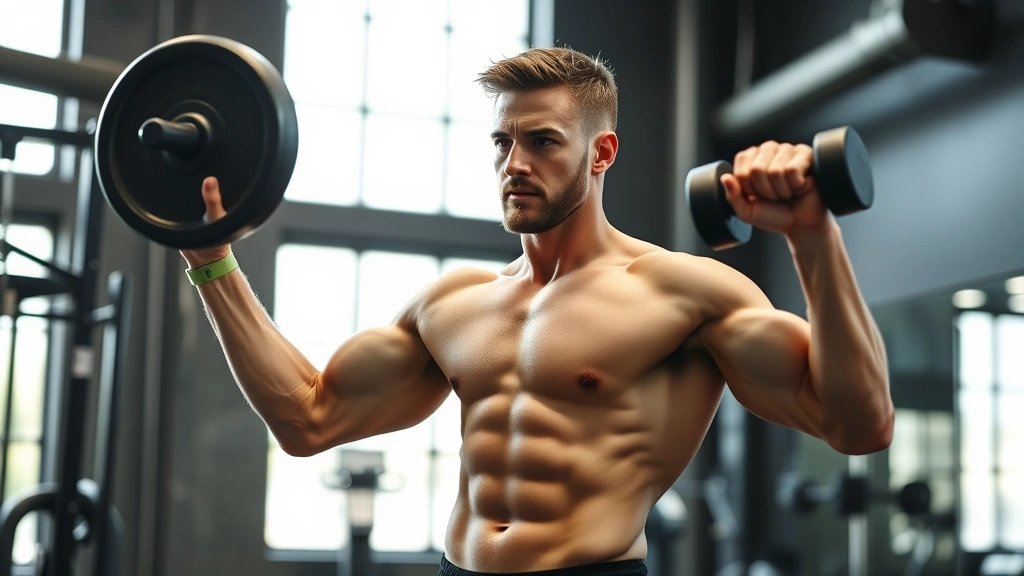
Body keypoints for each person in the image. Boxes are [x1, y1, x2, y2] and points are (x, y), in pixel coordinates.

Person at [179, 47, 894, 576]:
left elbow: (857, 425)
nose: (514, 162)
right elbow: (309, 420)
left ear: (601, 152)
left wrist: (811, 235)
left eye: (543, 141)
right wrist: (211, 259)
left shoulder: (685, 293)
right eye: (503, 141)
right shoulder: (452, 303)